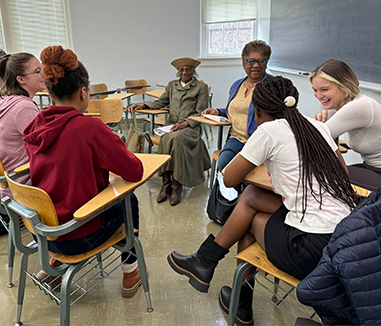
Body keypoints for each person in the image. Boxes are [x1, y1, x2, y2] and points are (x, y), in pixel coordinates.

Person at [168, 76, 358, 326]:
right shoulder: (318, 126)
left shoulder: (269, 131)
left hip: (313, 249)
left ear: (256, 111)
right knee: (252, 196)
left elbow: (229, 179)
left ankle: (235, 297)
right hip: (348, 236)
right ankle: (207, 265)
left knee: (247, 218)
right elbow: (343, 176)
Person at [22, 45, 144, 298]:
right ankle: (131, 269)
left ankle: (57, 264)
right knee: (128, 200)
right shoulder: (90, 128)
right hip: (79, 234)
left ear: (50, 91)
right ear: (83, 91)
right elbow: (135, 170)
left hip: (46, 233)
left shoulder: (36, 125)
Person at [310, 59, 381, 196]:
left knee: (320, 176)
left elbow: (314, 137)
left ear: (344, 86)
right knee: (319, 175)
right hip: (372, 169)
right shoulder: (339, 105)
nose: (319, 96)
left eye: (324, 89)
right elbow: (315, 132)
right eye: (315, 90)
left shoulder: (359, 107)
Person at [128, 57, 211, 206]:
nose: (184, 72)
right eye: (181, 70)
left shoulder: (200, 88)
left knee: (176, 139)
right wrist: (143, 105)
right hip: (172, 126)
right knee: (167, 137)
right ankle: (165, 183)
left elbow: (201, 112)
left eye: (187, 69)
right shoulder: (172, 85)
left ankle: (176, 184)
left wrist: (186, 123)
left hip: (191, 128)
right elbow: (161, 102)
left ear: (193, 71)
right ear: (178, 72)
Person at [202, 40, 273, 174]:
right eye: (250, 61)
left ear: (266, 63)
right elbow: (237, 110)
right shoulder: (237, 85)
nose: (256, 65)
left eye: (261, 61)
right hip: (236, 138)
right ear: (243, 64)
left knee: (249, 172)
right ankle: (242, 193)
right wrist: (217, 111)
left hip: (260, 141)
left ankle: (245, 194)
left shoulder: (272, 85)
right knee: (224, 164)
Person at [0, 52, 43, 199]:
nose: (43, 74)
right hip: (22, 189)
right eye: (38, 71)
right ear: (21, 79)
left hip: (8, 187)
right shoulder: (23, 108)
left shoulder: (5, 100)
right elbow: (45, 148)